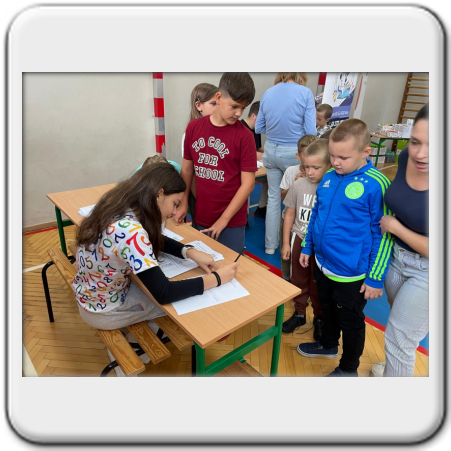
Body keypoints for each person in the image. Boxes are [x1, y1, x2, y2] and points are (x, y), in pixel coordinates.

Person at [72, 163, 239, 375]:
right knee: (182, 304)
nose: (174, 212)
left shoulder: (118, 203)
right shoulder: (132, 232)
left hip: (89, 294)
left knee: (161, 289)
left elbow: (152, 237)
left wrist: (189, 251)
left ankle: (138, 337)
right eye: (175, 204)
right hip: (105, 310)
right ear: (159, 193)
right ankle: (132, 353)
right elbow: (164, 293)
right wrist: (216, 278)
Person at [298, 119, 393, 377]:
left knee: (350, 322)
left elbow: (384, 236)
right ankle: (328, 344)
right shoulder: (329, 177)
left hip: (352, 273)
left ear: (365, 152)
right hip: (323, 264)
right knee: (327, 308)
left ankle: (349, 369)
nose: (336, 162)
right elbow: (317, 214)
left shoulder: (377, 184)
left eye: (343, 157)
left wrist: (375, 277)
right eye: (332, 155)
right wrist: (308, 246)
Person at [371, 104, 429, 377]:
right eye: (415, 142)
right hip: (397, 258)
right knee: (401, 334)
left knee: (398, 341)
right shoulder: (407, 157)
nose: (421, 153)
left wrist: (396, 227)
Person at [175, 72, 257, 254]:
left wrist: (224, 220)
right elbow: (187, 170)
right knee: (201, 261)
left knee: (230, 264)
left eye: (243, 108)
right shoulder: (194, 128)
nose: (239, 113)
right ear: (219, 98)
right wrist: (183, 203)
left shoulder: (245, 136)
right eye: (234, 106)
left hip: (231, 222)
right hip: (202, 215)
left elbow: (248, 184)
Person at [255, 73, 317, 254]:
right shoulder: (305, 93)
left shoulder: (268, 92)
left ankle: (270, 247)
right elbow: (311, 131)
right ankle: (293, 244)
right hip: (293, 152)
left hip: (270, 150)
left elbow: (259, 127)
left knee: (274, 198)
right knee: (298, 198)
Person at [281, 139, 330, 338]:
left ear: (329, 165)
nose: (310, 172)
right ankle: (299, 313)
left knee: (318, 284)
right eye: (306, 166)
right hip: (299, 238)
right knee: (298, 279)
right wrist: (286, 242)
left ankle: (319, 317)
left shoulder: (331, 187)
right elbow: (289, 214)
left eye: (315, 167)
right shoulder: (298, 185)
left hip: (320, 244)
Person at [279, 134, 317, 281]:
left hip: (306, 224)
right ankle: (285, 278)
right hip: (289, 220)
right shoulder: (291, 171)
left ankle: (301, 282)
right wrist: (295, 184)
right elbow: (282, 196)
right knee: (286, 252)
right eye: (306, 155)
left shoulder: (320, 176)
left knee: (303, 258)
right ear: (298, 156)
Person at [182, 83, 219, 228]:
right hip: (200, 197)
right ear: (198, 106)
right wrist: (202, 200)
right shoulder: (190, 133)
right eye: (213, 104)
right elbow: (190, 172)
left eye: (219, 103)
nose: (218, 107)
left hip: (216, 198)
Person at [241, 101, 267, 220]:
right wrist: (269, 155)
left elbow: (258, 148)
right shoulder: (241, 129)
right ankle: (243, 214)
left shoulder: (256, 129)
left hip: (257, 166)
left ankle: (262, 207)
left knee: (270, 177)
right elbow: (251, 154)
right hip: (242, 171)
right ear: (254, 116)